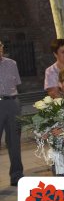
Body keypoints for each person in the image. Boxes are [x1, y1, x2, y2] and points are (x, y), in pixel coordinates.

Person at [0, 40, 24, 186]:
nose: (0, 50)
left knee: (14, 141)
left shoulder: (11, 63)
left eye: (1, 47)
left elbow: (16, 84)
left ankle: (16, 174)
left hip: (13, 102)